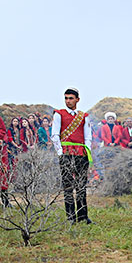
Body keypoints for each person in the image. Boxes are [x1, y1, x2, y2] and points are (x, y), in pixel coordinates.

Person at [49, 88, 93, 224]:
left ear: (77, 100)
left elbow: (88, 136)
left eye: (71, 98)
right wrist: (60, 153)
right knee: (68, 186)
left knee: (81, 185)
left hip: (81, 153)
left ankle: (82, 216)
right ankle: (70, 217)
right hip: (66, 153)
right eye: (66, 98)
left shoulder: (83, 116)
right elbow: (55, 135)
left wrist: (88, 152)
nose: (68, 101)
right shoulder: (59, 114)